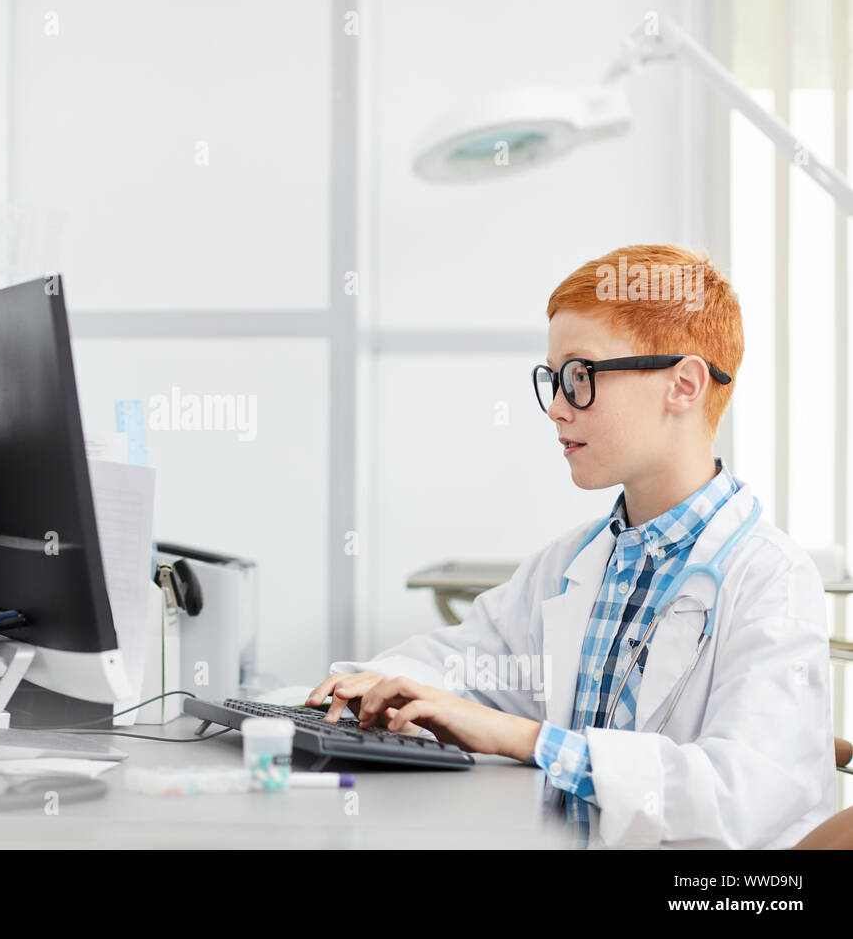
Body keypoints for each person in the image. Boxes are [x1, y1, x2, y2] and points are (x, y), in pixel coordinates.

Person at [311, 245, 835, 849]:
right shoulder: (571, 565)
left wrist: (527, 739)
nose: (558, 407)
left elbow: (740, 798)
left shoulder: (770, 579)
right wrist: (360, 690)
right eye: (553, 379)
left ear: (683, 385)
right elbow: (463, 664)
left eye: (581, 377)